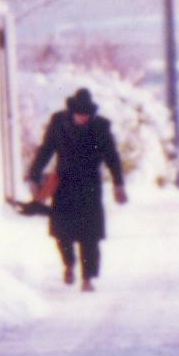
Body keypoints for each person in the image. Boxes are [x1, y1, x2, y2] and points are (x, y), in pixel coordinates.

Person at [27, 88, 131, 290]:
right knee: (62, 231)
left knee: (89, 235)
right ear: (72, 112)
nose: (83, 119)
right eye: (80, 115)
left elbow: (112, 157)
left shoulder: (101, 127)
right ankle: (68, 264)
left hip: (89, 186)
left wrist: (118, 183)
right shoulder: (58, 123)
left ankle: (87, 278)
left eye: (87, 116)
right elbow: (46, 148)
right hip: (64, 183)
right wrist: (34, 174)